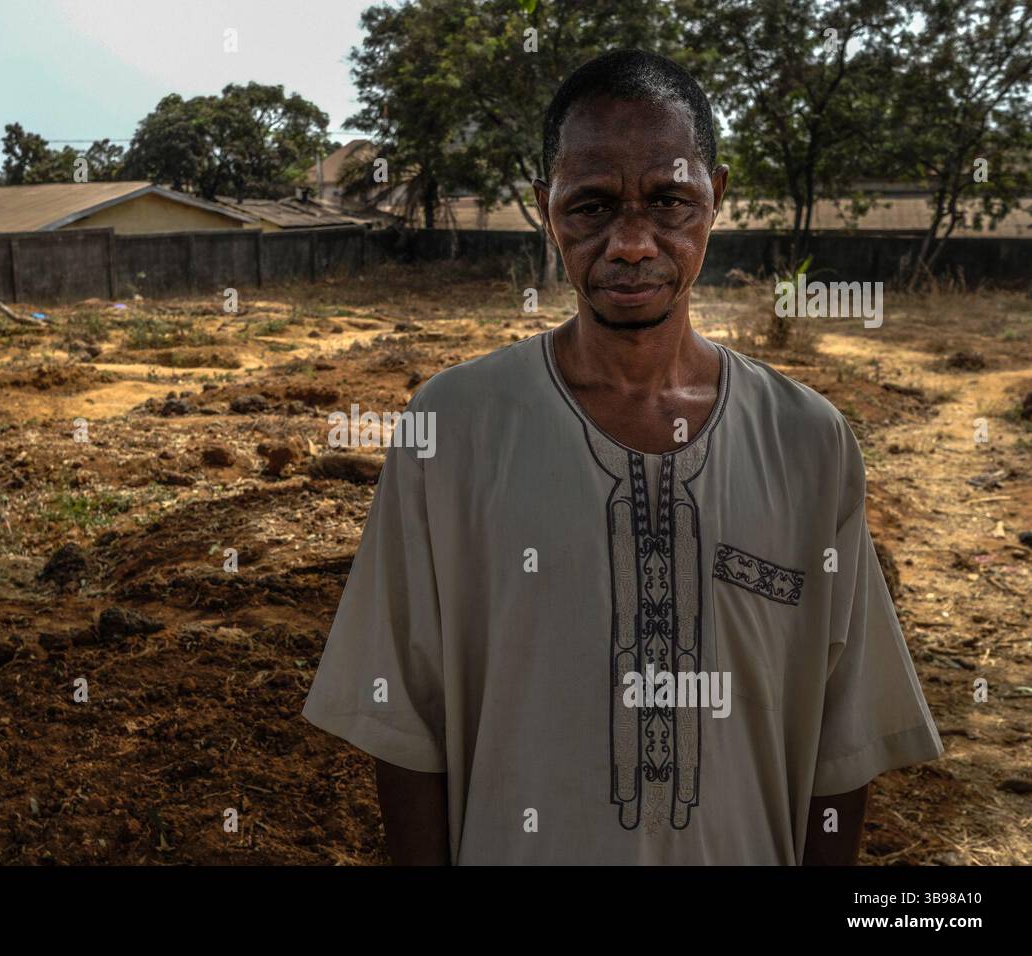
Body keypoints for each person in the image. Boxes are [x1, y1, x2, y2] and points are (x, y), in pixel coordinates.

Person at [302, 49, 943, 865]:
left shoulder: (808, 441)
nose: (632, 243)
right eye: (592, 206)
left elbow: (842, 745)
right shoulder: (453, 429)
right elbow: (402, 728)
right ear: (546, 209)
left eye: (670, 202)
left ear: (718, 199)